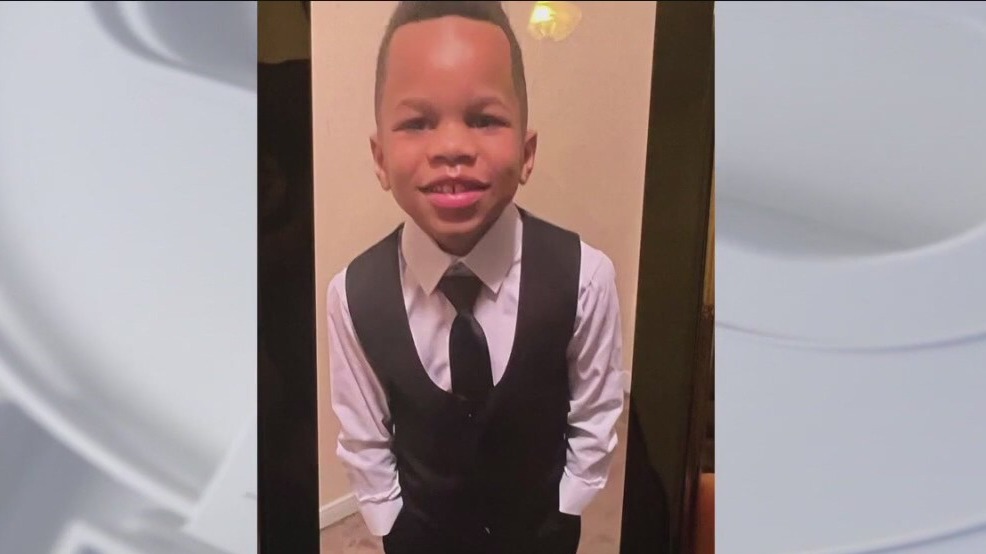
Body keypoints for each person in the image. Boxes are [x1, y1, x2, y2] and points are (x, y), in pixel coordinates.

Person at [326, 2, 625, 552]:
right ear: (380, 157)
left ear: (527, 152)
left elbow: (596, 410)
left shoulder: (586, 277)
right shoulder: (352, 295)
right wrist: (390, 525)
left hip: (543, 534)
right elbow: (364, 435)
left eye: (484, 119)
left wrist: (569, 504)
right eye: (417, 123)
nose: (452, 149)